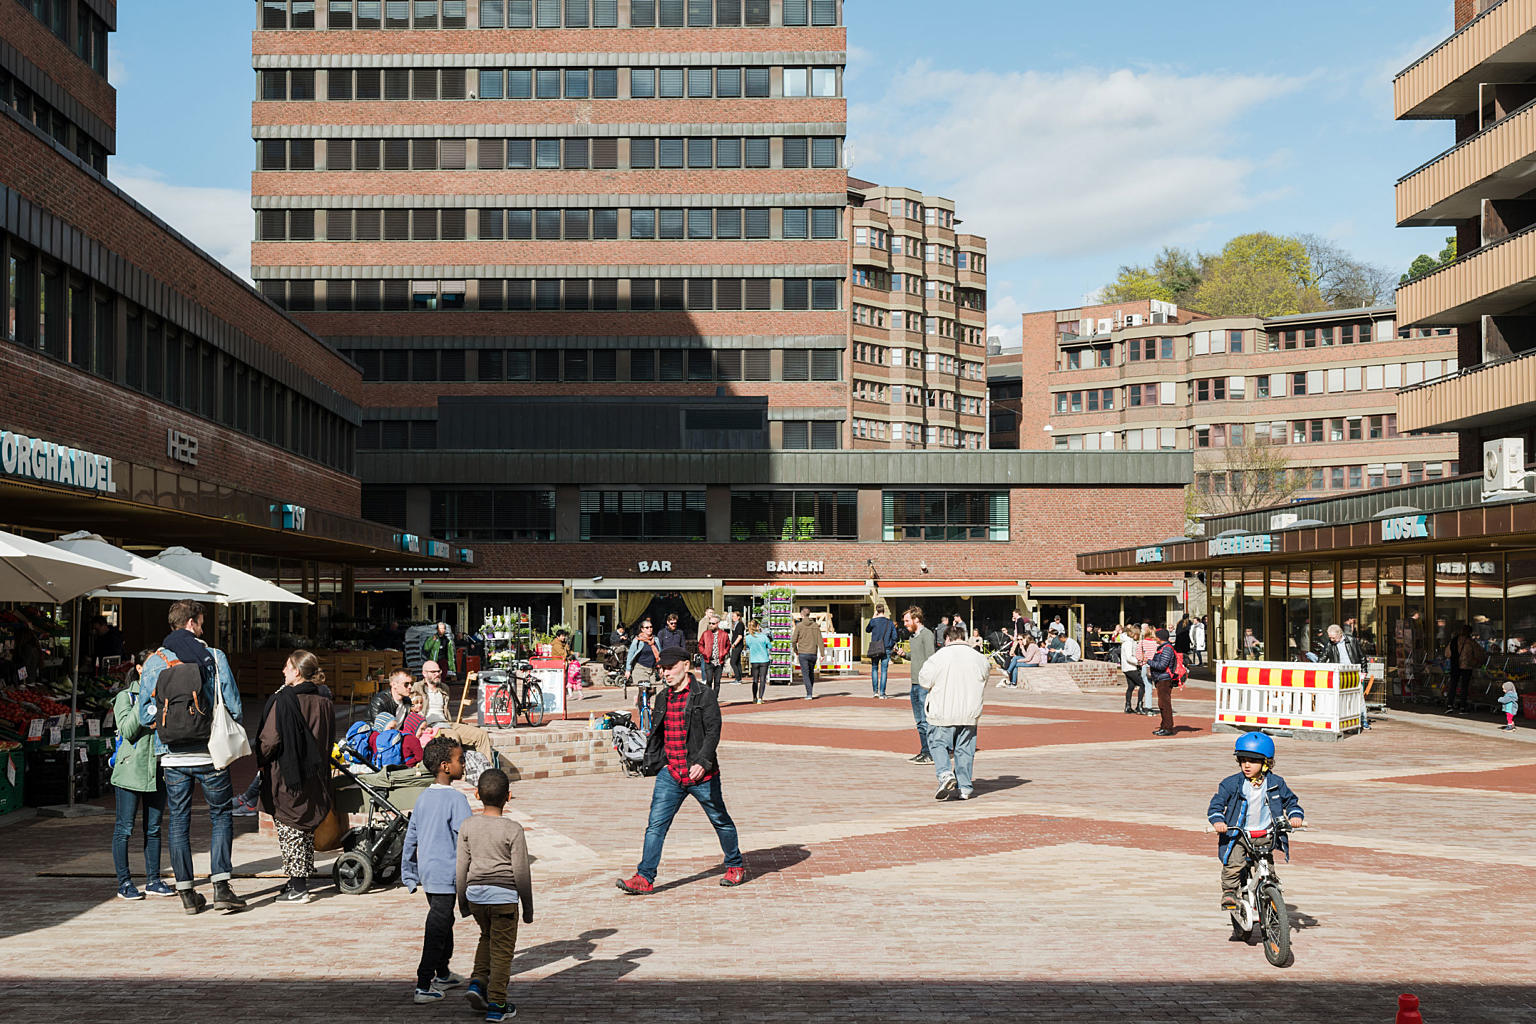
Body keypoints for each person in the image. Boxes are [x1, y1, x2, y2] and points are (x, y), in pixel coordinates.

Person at [134, 600, 246, 915]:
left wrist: (171, 725)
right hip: (210, 752)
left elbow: (144, 715)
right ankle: (222, 886)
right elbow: (235, 707)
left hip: (172, 757)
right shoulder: (214, 656)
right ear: (191, 623)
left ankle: (186, 892)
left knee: (179, 820)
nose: (203, 627)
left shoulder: (156, 661)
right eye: (201, 621)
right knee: (220, 816)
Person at [616, 649, 744, 894]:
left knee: (720, 820)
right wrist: (659, 763)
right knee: (655, 826)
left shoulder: (704, 695)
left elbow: (713, 731)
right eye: (662, 669)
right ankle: (644, 877)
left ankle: (735, 865)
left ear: (686, 665)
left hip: (701, 775)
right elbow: (659, 733)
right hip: (672, 774)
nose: (665, 673)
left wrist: (703, 762)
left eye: (670, 667)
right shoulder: (662, 697)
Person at [256, 649, 335, 905]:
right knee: (305, 826)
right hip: (316, 771)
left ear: (297, 672)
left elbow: (270, 740)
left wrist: (262, 757)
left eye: (287, 667)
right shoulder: (324, 699)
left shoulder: (285, 700)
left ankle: (299, 886)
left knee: (290, 826)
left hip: (288, 773)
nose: (283, 671)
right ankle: (297, 880)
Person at [456, 768, 533, 1023]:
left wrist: (462, 901)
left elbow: (461, 867)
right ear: (508, 796)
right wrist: (528, 908)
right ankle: (497, 1004)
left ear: (476, 794)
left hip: (476, 896)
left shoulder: (467, 826)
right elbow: (521, 872)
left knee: (486, 937)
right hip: (503, 899)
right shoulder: (513, 830)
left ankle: (477, 983)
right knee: (502, 951)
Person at [402, 736, 472, 1004]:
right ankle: (424, 983)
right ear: (445, 766)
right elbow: (468, 838)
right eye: (460, 760)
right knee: (437, 925)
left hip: (429, 874)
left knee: (444, 921)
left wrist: (409, 872)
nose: (463, 764)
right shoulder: (456, 799)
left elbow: (411, 838)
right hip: (447, 874)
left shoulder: (423, 798)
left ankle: (443, 973)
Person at [1207, 733, 1304, 911]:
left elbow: (1291, 801)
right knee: (1234, 864)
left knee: (1268, 869)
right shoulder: (1231, 784)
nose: (1247, 765)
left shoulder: (1275, 783)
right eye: (1243, 760)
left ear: (1266, 762)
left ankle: (1273, 901)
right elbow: (1216, 805)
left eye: (1253, 761)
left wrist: (1295, 816)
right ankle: (1229, 892)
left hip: (1265, 833)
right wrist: (1218, 821)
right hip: (1238, 834)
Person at [110, 649, 174, 900]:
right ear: (139, 669)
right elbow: (126, 729)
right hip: (130, 771)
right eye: (151, 666)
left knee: (154, 828)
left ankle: (153, 880)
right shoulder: (126, 697)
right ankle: (124, 882)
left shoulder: (165, 696)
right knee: (124, 828)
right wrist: (146, 703)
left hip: (157, 770)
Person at [919, 626, 989, 801]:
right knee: (965, 749)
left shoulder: (938, 657)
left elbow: (924, 681)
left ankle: (945, 773)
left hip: (943, 710)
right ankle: (964, 787)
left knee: (937, 743)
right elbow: (985, 677)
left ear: (947, 639)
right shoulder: (979, 658)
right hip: (969, 711)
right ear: (963, 637)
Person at [903, 606, 936, 764]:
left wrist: (930, 683)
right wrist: (905, 655)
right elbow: (917, 657)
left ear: (917, 619)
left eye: (907, 620)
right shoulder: (913, 637)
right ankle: (924, 751)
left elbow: (931, 659)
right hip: (914, 683)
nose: (905, 624)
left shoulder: (927, 635)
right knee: (919, 721)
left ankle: (930, 752)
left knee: (925, 720)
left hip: (923, 685)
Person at [1148, 627, 1181, 736]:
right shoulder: (1164, 647)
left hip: (1164, 679)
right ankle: (1164, 726)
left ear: (1159, 638)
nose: (1154, 639)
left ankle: (1168, 728)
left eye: (1156, 637)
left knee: (1165, 704)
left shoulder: (1166, 648)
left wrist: (1148, 661)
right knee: (1162, 704)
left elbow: (1162, 665)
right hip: (1161, 678)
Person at [1446, 624, 1484, 715]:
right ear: (1470, 632)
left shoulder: (1453, 641)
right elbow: (1480, 653)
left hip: (1455, 666)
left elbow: (1447, 653)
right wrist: (1476, 663)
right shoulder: (1471, 642)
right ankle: (1463, 707)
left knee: (1453, 686)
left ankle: (1449, 705)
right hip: (1466, 667)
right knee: (1464, 687)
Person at [865, 602, 897, 699]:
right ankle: (882, 693)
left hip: (875, 648)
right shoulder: (889, 622)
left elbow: (867, 630)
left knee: (874, 668)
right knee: (884, 671)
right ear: (884, 611)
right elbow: (895, 637)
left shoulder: (873, 621)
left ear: (877, 611)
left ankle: (875, 692)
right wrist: (889, 645)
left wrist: (873, 617)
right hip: (886, 649)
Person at [624, 619, 662, 696]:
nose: (649, 629)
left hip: (652, 670)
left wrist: (661, 667)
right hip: (640, 668)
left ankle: (642, 704)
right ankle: (641, 705)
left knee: (652, 691)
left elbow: (659, 655)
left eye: (651, 627)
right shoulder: (637, 641)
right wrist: (628, 670)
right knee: (643, 691)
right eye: (647, 627)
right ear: (642, 629)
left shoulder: (656, 640)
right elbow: (630, 656)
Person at [791, 607, 822, 699]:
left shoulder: (799, 626)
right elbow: (820, 640)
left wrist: (795, 650)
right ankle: (810, 691)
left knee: (805, 674)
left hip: (803, 653)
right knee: (811, 673)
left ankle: (809, 693)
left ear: (801, 614)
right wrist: (823, 653)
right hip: (813, 653)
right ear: (809, 614)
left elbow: (793, 640)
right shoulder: (815, 625)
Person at [697, 613, 730, 694]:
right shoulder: (706, 634)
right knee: (709, 680)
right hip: (709, 660)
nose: (711, 625)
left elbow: (728, 645)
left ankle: (715, 699)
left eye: (713, 623)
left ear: (718, 623)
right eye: (710, 623)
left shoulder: (724, 634)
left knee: (717, 682)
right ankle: (708, 697)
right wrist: (704, 652)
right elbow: (700, 644)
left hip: (719, 661)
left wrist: (724, 653)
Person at [1118, 626, 1147, 715]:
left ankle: (1128, 706)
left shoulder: (1129, 642)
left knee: (1131, 686)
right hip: (1130, 667)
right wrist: (1139, 662)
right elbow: (1129, 657)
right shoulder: (1128, 643)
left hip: (1128, 667)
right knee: (1143, 684)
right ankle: (1139, 706)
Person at [743, 619, 773, 704]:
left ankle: (754, 697)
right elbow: (770, 646)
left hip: (754, 660)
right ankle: (760, 698)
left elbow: (747, 647)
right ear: (758, 626)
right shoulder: (764, 637)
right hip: (764, 659)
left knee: (755, 679)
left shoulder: (748, 637)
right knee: (762, 679)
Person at [727, 610, 746, 683]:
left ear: (738, 617)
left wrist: (734, 644)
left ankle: (738, 678)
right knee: (737, 662)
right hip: (736, 645)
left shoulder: (740, 624)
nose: (733, 618)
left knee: (733, 662)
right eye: (732, 616)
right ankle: (739, 678)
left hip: (738, 645)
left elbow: (740, 636)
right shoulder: (736, 624)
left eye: (734, 616)